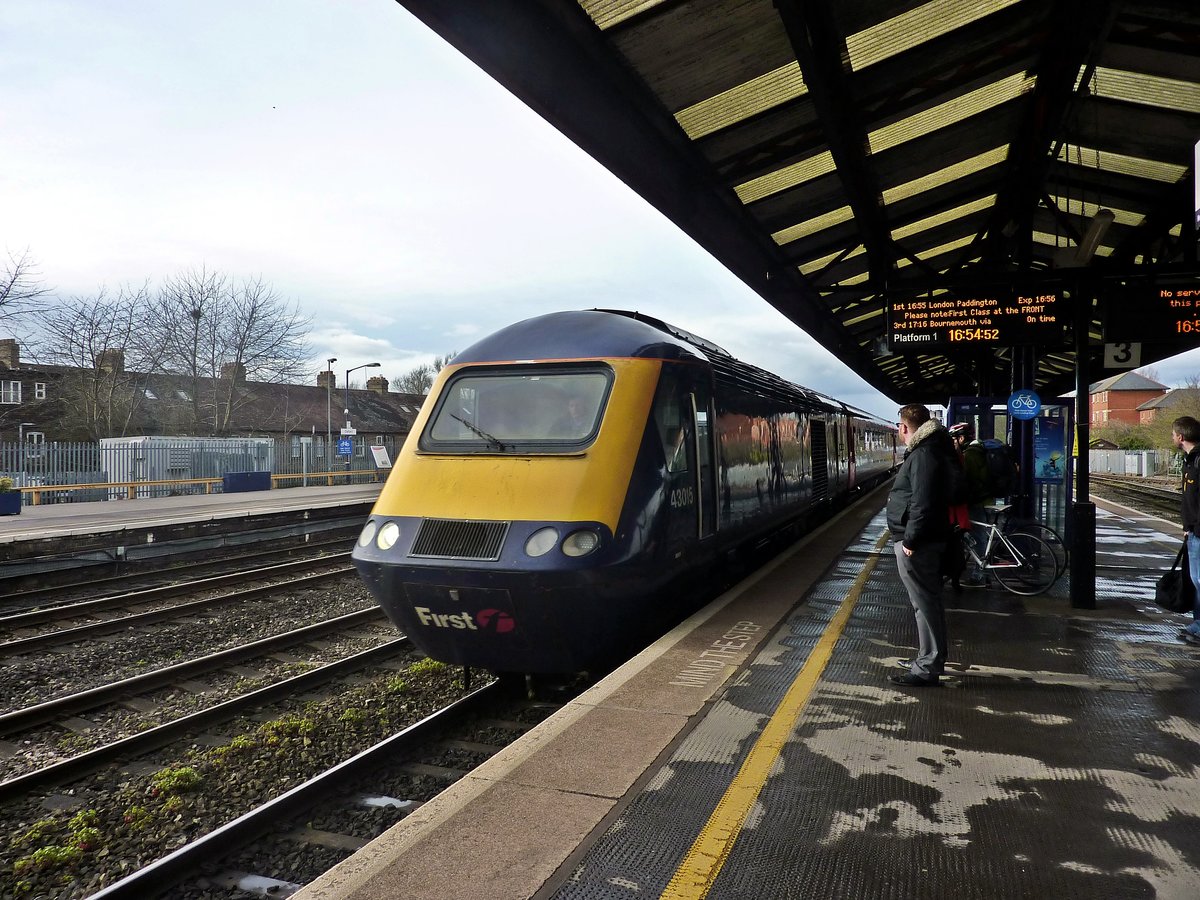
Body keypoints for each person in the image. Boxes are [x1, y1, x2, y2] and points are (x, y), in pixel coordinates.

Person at [885, 404, 957, 687]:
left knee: (925, 603)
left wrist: (911, 540)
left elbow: (923, 502)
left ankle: (928, 666)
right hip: (922, 539)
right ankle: (926, 657)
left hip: (918, 542)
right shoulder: (930, 449)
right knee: (923, 602)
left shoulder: (924, 453)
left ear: (904, 427)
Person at [1172, 415, 1200, 646]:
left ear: (1180, 437)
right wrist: (1186, 527)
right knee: (1196, 579)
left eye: (1173, 434)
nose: (1172, 438)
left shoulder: (1198, 460)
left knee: (1199, 580)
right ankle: (1197, 624)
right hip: (1192, 531)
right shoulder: (1189, 459)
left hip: (1199, 531)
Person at [950, 422, 989, 587]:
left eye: (953, 439)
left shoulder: (969, 455)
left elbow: (965, 481)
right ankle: (982, 571)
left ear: (961, 438)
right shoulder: (975, 451)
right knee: (977, 536)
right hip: (979, 499)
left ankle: (980, 574)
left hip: (974, 502)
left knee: (978, 538)